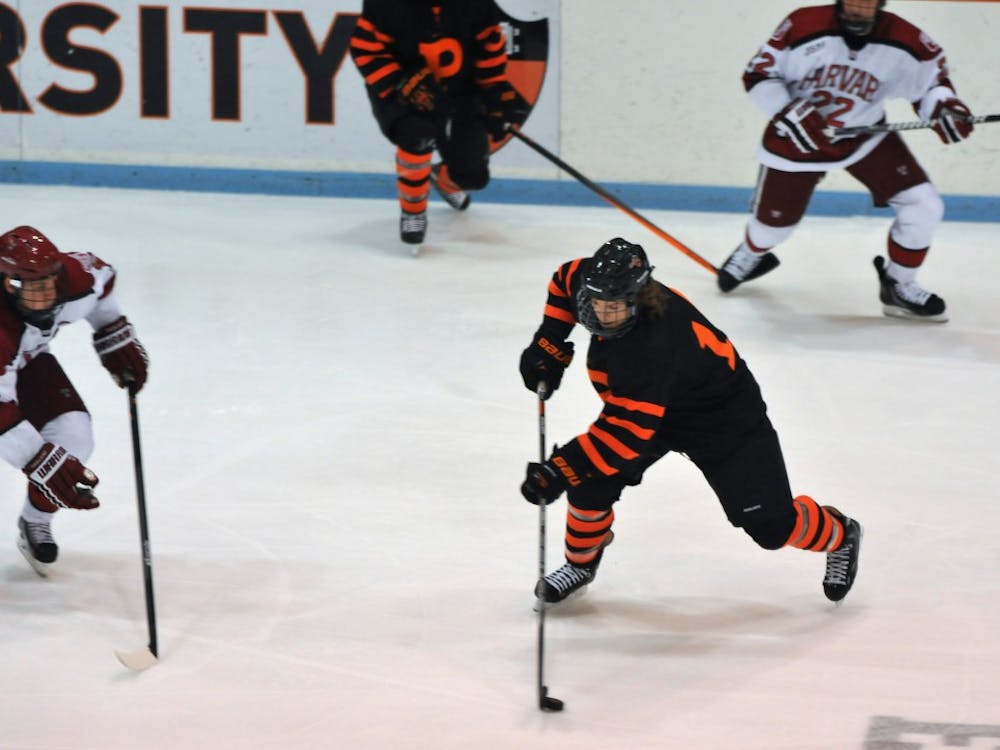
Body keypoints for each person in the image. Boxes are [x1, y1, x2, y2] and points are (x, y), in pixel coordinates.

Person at [518, 237, 862, 605]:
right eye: (596, 303)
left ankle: (840, 533)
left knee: (772, 528)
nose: (601, 315)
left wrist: (558, 470)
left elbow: (625, 434)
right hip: (653, 408)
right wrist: (549, 342)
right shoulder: (594, 282)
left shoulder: (656, 342)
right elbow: (564, 279)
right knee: (589, 483)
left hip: (721, 419)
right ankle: (581, 564)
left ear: (638, 297)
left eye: (614, 307)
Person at [717, 0, 976, 322]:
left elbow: (932, 85)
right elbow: (759, 75)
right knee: (772, 230)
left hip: (864, 135)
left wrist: (944, 108)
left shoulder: (905, 38)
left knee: (924, 205)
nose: (859, 9)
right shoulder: (803, 24)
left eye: (868, 3)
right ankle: (751, 252)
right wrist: (787, 110)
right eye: (853, 1)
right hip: (799, 137)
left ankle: (900, 285)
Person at [0, 226, 149, 576]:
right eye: (33, 291)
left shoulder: (73, 278)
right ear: (8, 285)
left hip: (26, 361)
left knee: (74, 438)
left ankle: (34, 522)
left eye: (48, 285)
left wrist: (112, 332)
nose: (46, 298)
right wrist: (36, 459)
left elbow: (103, 281)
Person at [349, 0, 530, 245]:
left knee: (472, 177)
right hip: (402, 90)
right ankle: (413, 209)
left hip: (460, 89)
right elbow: (364, 48)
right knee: (418, 134)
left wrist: (494, 91)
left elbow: (489, 43)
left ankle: (440, 178)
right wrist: (400, 83)